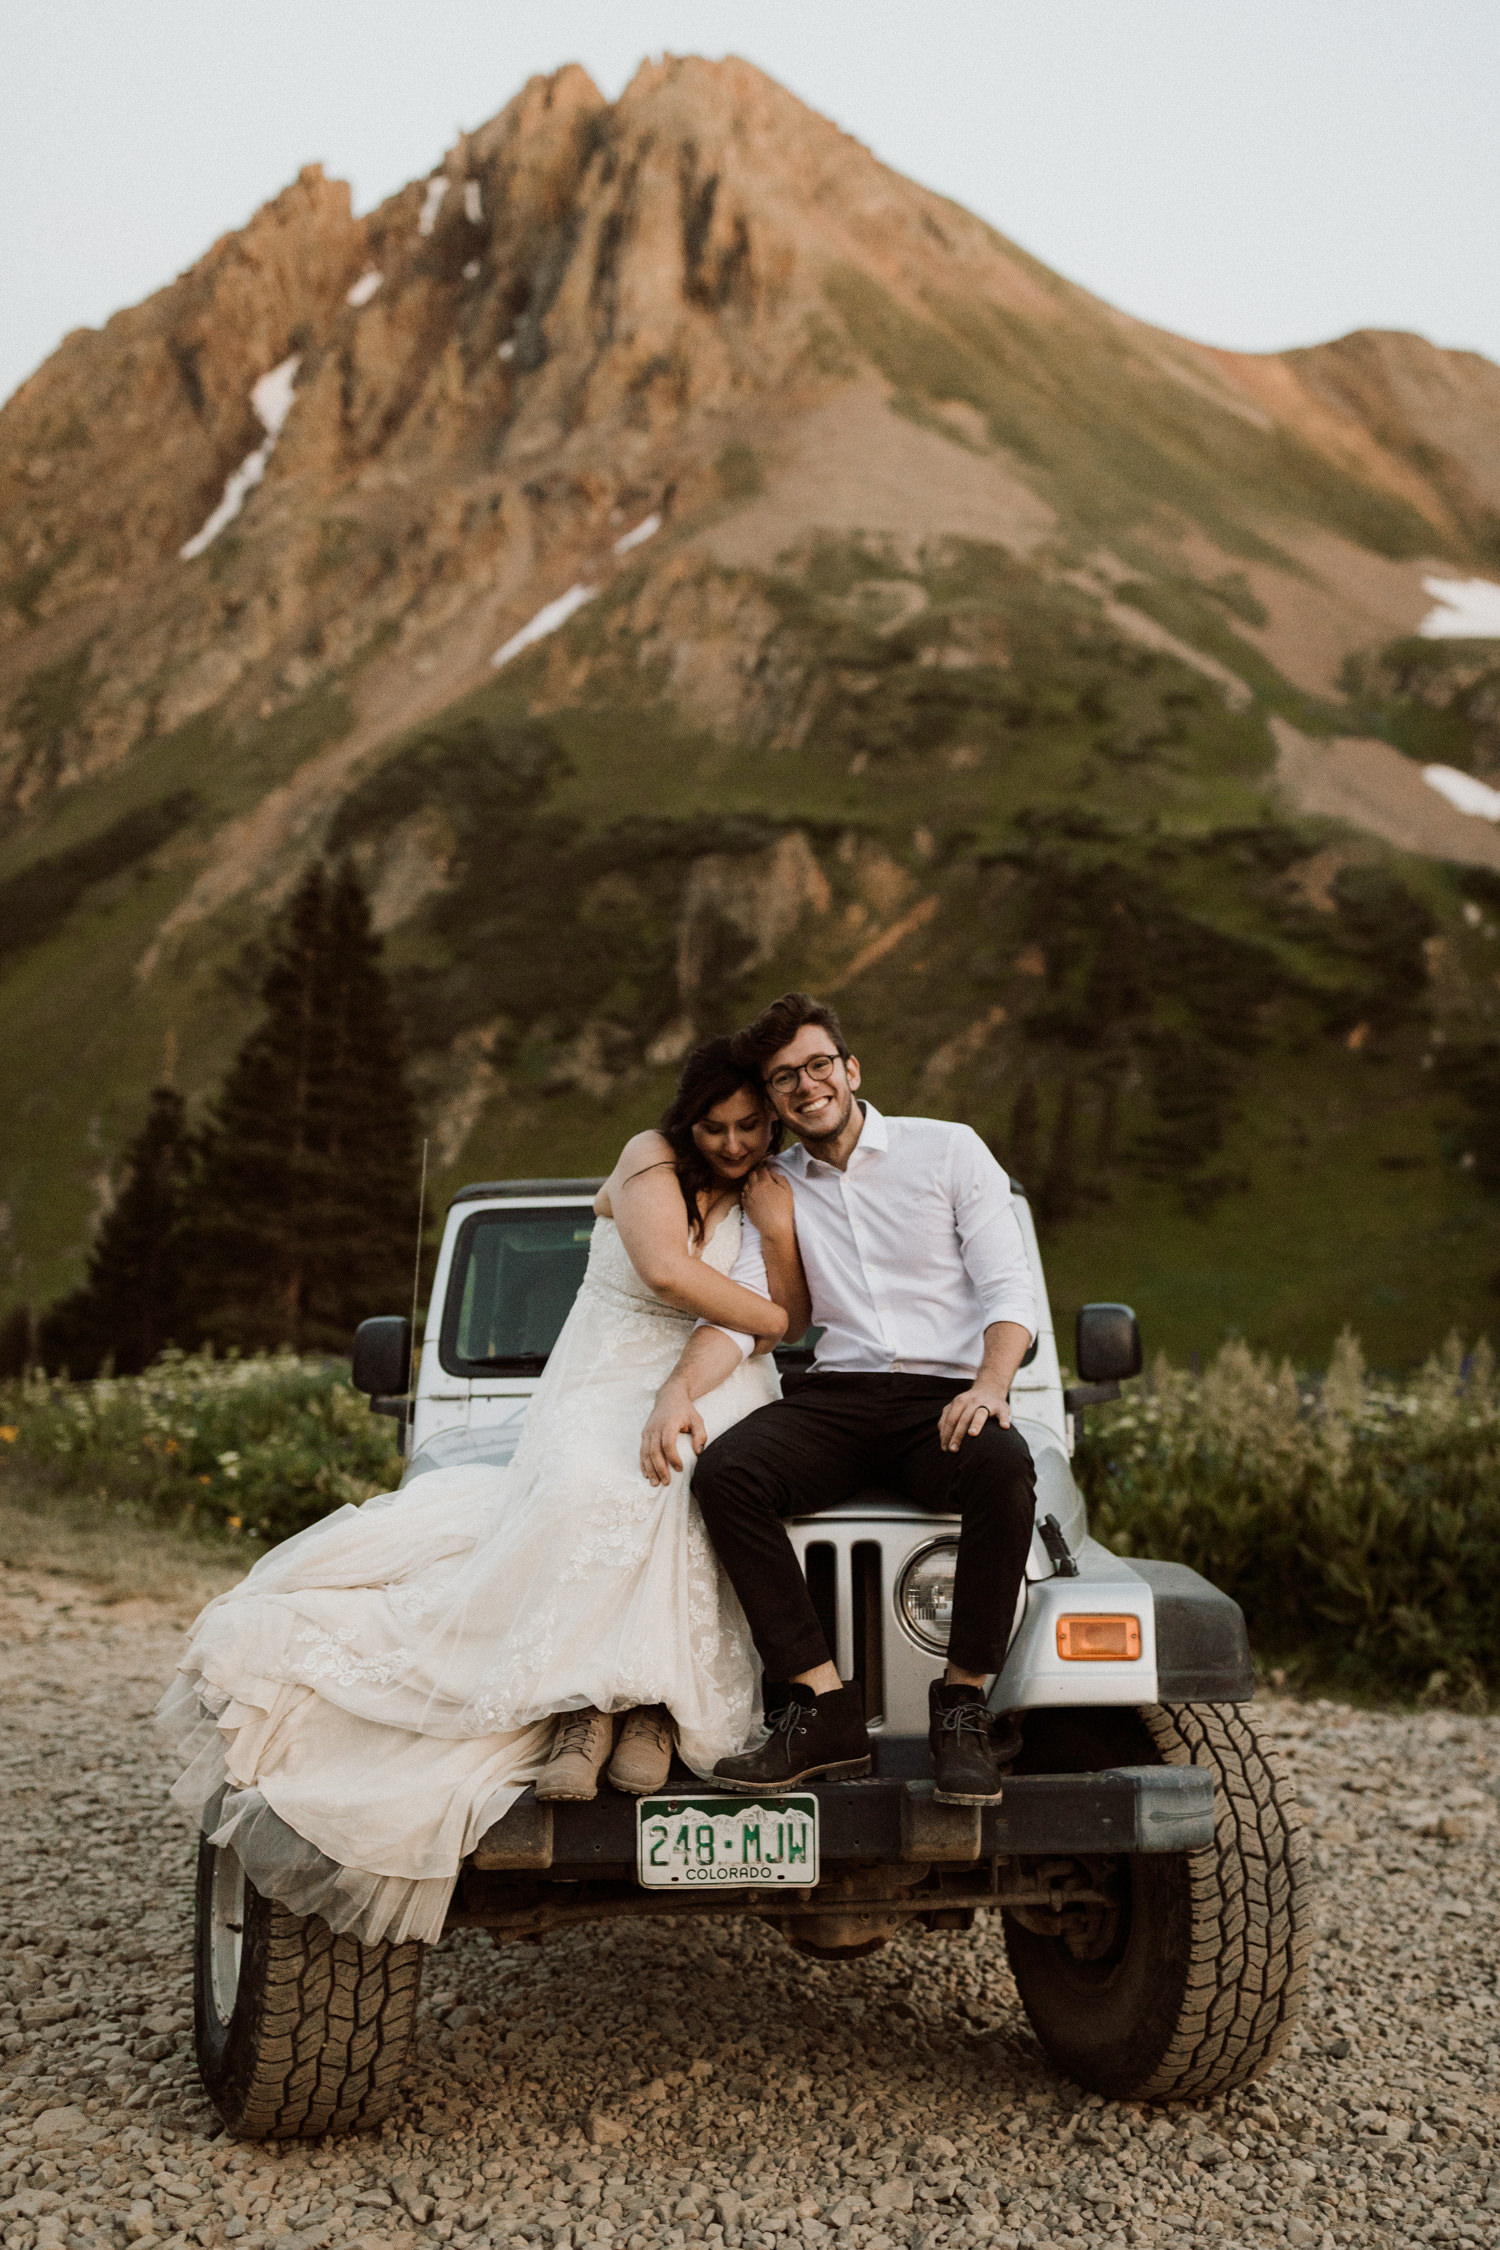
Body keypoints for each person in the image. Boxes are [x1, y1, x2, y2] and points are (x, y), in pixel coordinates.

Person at [158, 1039, 807, 1947]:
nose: (734, 1144)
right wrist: (778, 1318)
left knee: (707, 1480)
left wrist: (772, 1240)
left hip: (708, 1371)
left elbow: (760, 1317)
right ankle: (583, 1710)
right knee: (593, 1484)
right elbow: (674, 1275)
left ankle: (652, 1708)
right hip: (603, 1370)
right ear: (684, 1120)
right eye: (715, 1126)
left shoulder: (769, 1188)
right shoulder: (646, 1159)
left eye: (750, 1127)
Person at [641, 992, 1037, 1807]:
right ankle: (821, 1707)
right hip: (838, 1395)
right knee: (728, 1474)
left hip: (945, 1396)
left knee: (1005, 1463)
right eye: (784, 1078)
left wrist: (990, 1387)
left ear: (850, 1070)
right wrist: (678, 1390)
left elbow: (1008, 1286)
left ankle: (962, 1706)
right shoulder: (773, 1185)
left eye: (817, 1065)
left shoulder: (950, 1150)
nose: (804, 1085)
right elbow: (752, 1316)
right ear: (775, 1098)